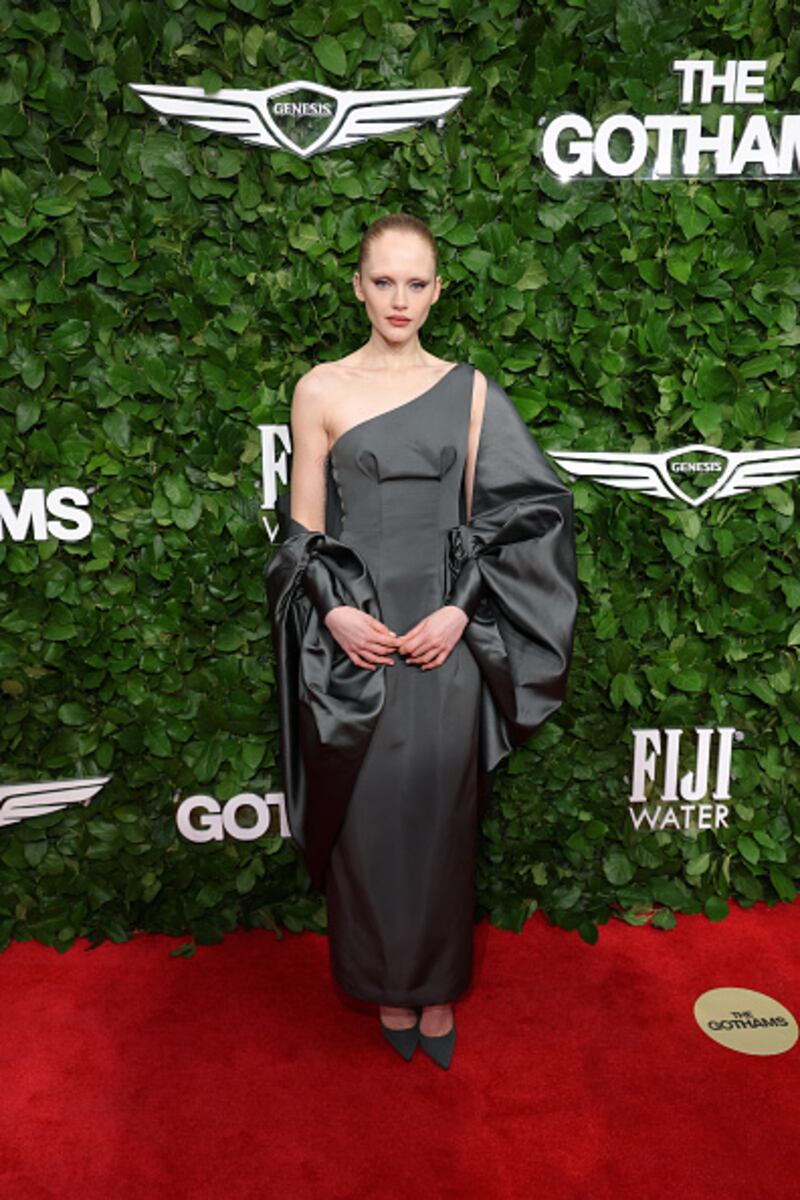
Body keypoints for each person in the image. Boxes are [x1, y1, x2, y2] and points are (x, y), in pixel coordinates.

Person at [265, 212, 578, 1070]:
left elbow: (516, 516)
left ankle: (436, 991)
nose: (399, 299)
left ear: (438, 291)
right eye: (384, 281)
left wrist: (460, 612)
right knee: (369, 826)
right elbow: (301, 535)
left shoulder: (468, 389)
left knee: (442, 823)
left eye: (415, 283)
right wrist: (332, 613)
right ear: (358, 287)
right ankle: (384, 984)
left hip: (444, 642)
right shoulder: (319, 389)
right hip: (357, 641)